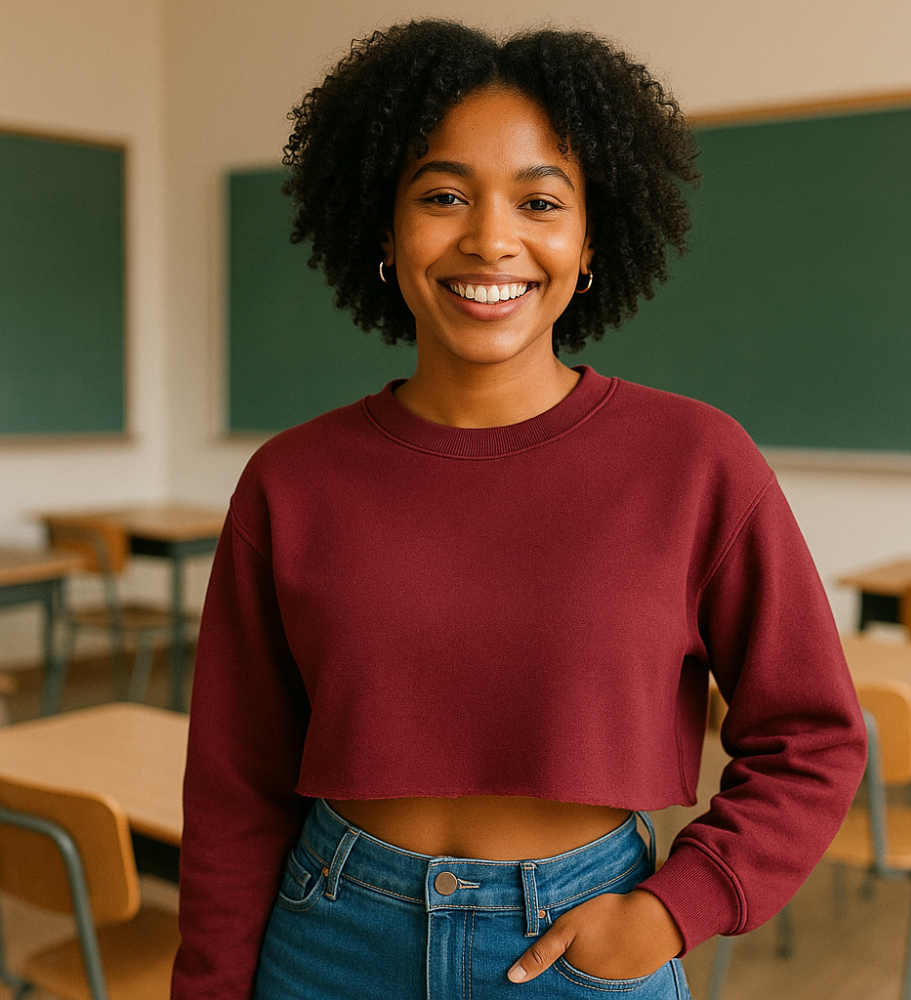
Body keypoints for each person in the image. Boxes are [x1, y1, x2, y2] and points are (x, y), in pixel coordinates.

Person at [172, 19, 866, 1000]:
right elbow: (235, 785)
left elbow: (813, 734)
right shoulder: (292, 480)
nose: (490, 237)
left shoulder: (698, 461)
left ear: (591, 242)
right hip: (329, 935)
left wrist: (675, 908)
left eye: (539, 199)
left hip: (581, 942)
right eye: (443, 195)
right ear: (384, 228)